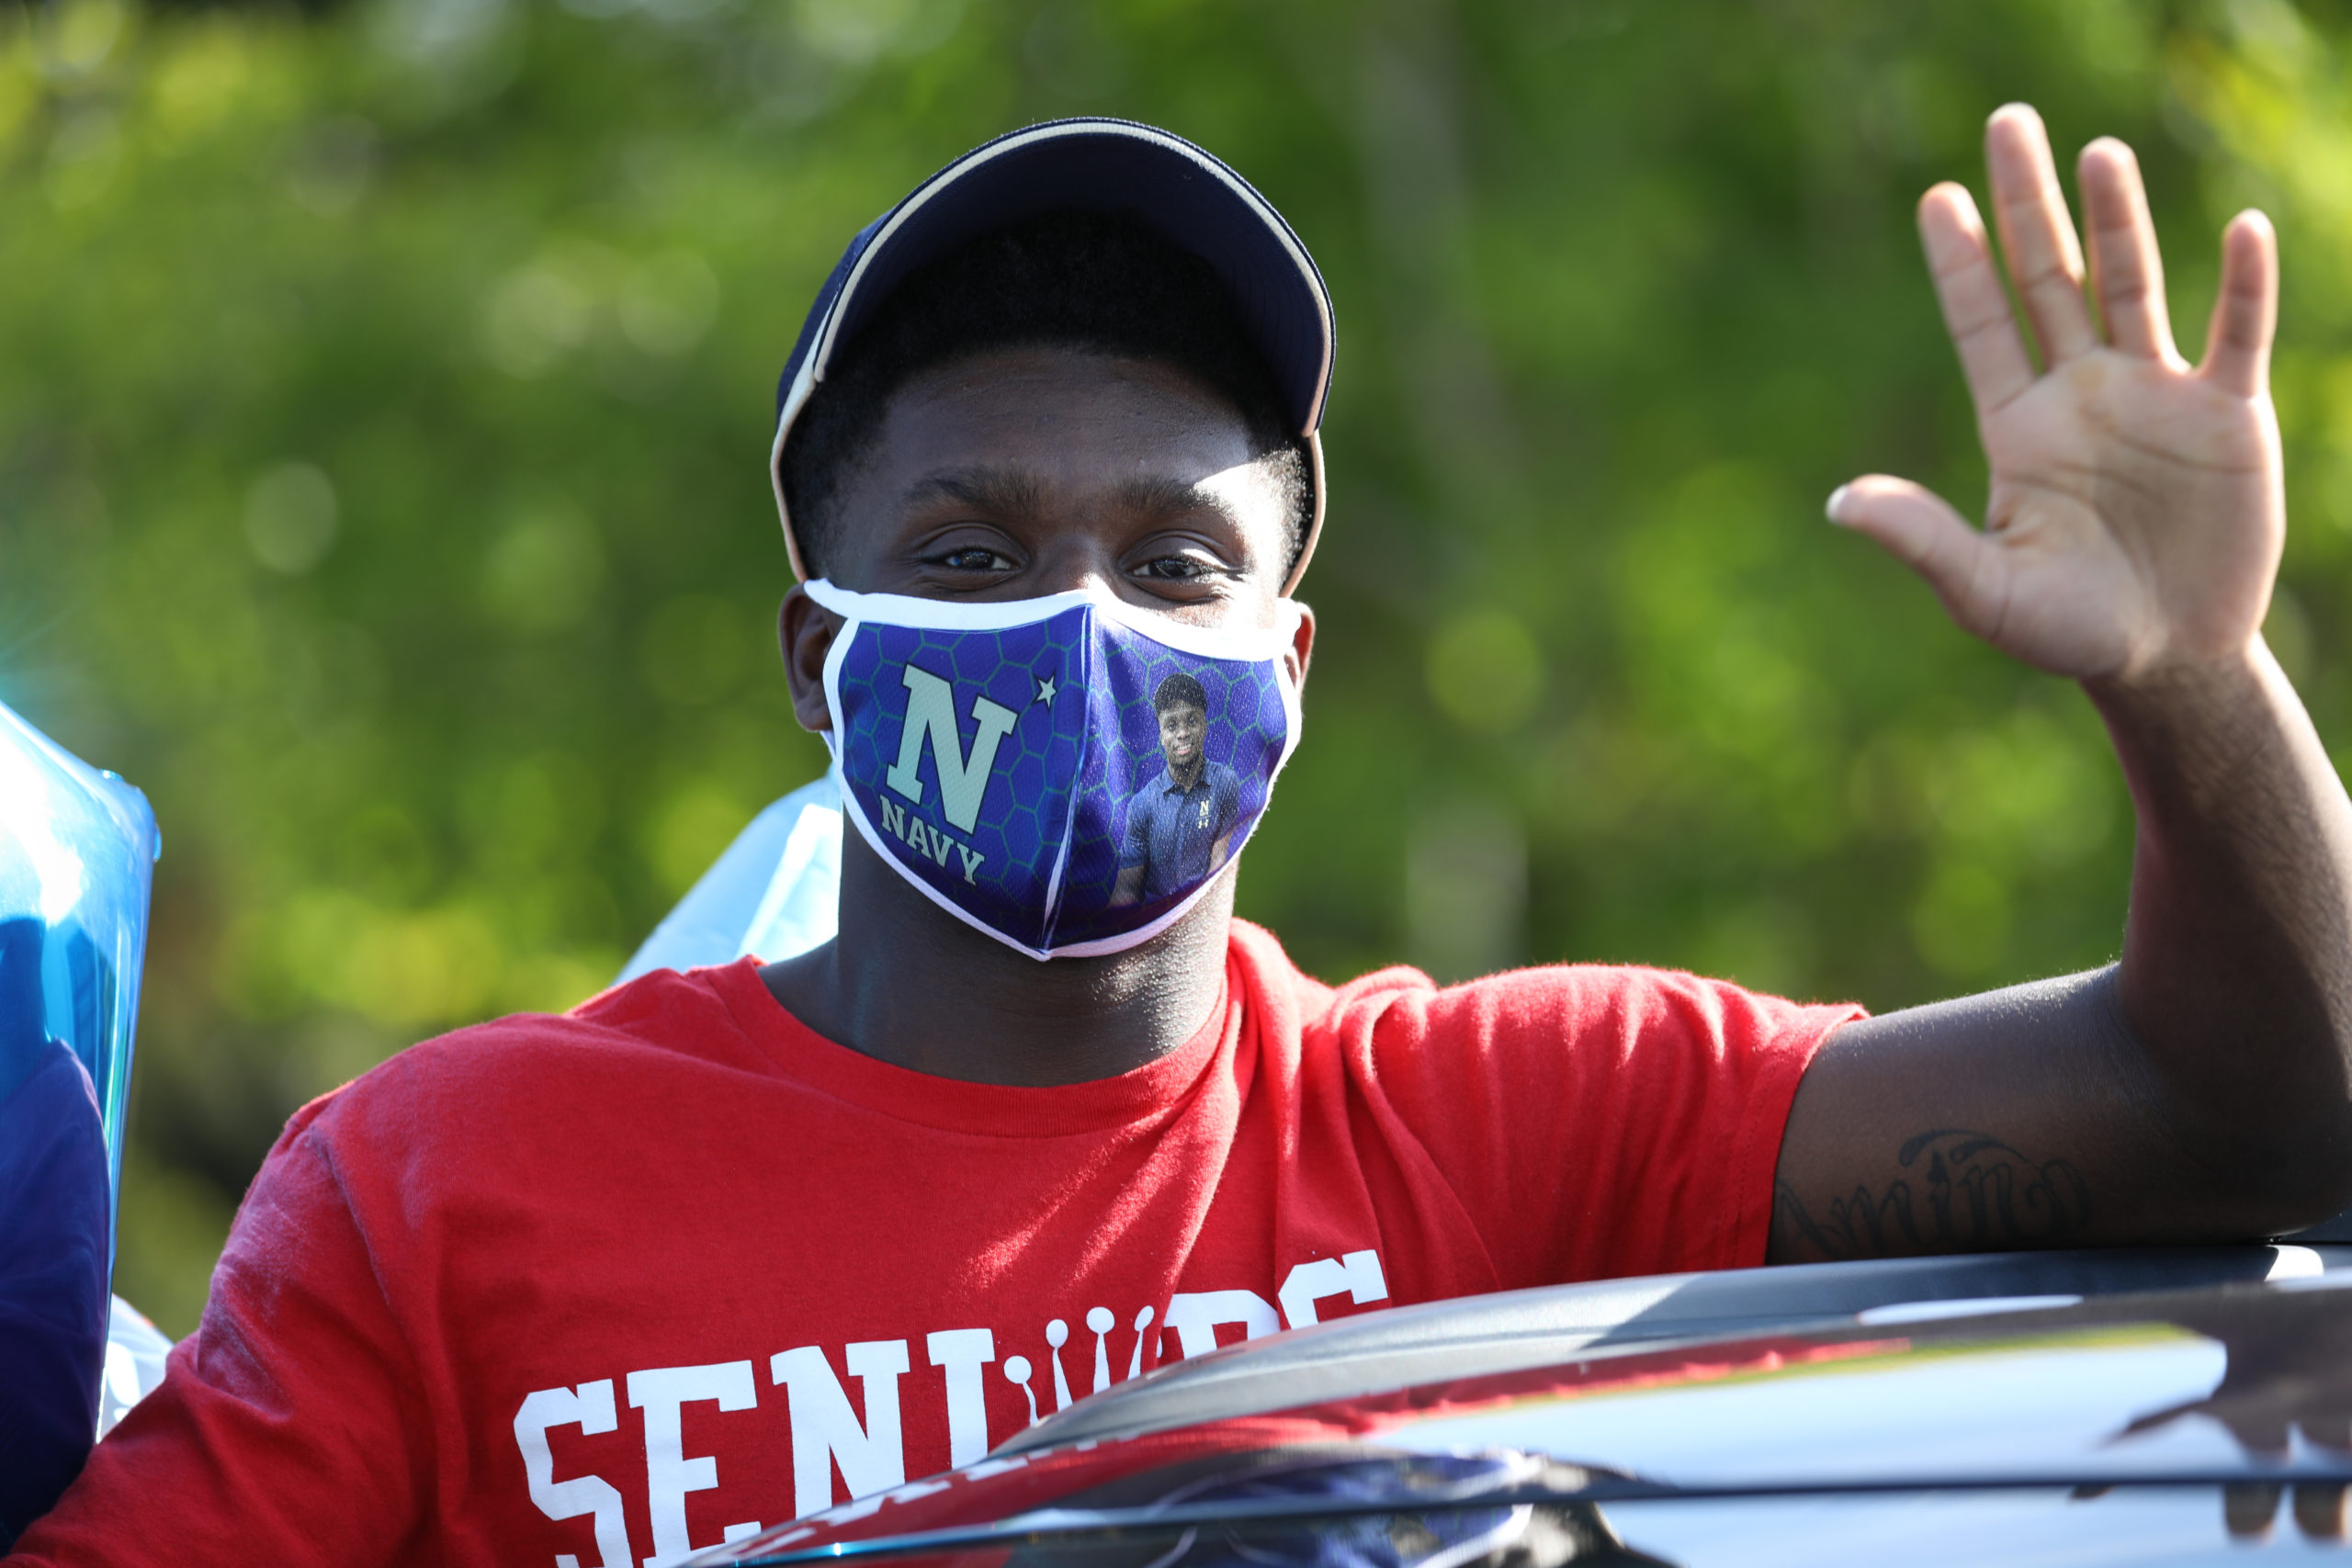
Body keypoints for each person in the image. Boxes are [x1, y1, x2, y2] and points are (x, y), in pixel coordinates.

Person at [11, 106, 2352, 1568]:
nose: (1080, 625)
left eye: (1173, 560)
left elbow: (2244, 1112)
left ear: (1290, 663)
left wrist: (2182, 678)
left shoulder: (1511, 1122)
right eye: (964, 554)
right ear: (818, 655)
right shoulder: (444, 1180)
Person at [1110, 672, 1242, 908]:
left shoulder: (1225, 783)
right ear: (1160, 734)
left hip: (1203, 920)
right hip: (1150, 927)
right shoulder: (1143, 805)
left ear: (1205, 724)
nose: (1182, 733)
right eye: (1172, 725)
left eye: (1191, 721)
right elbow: (1127, 890)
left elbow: (1220, 863)